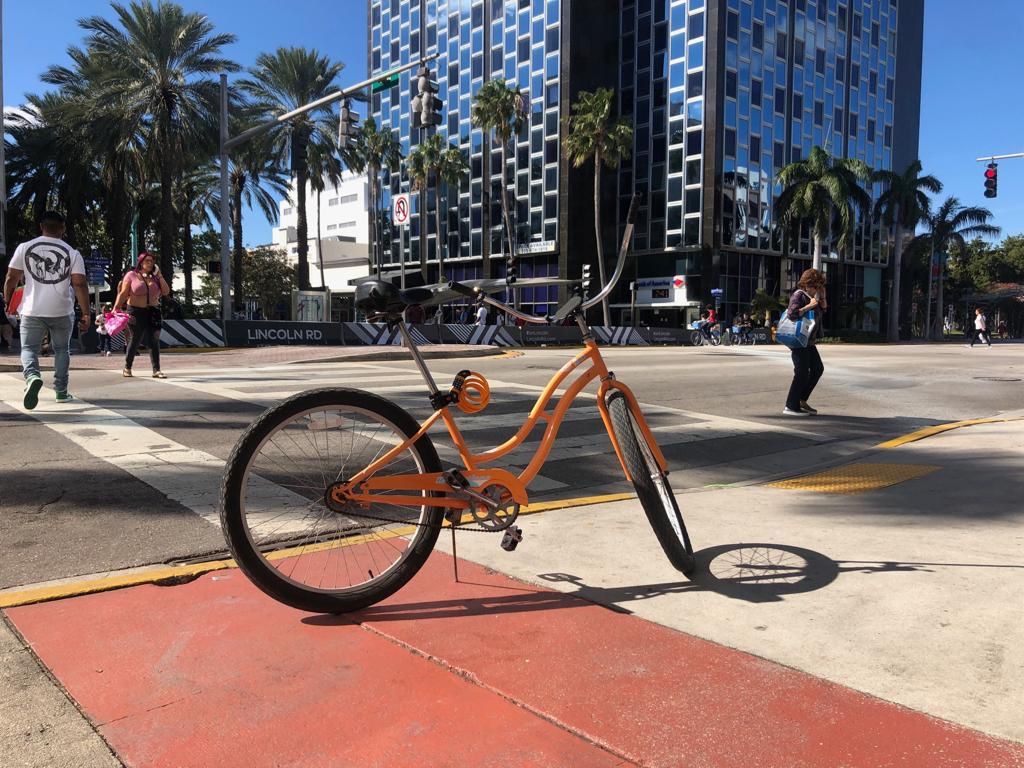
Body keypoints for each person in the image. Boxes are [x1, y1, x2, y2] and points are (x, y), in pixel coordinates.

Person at [3, 211, 90, 407]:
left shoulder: (24, 248)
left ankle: (33, 376)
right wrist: (86, 313)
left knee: (29, 349)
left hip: (32, 310)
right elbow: (80, 285)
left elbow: (11, 277)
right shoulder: (72, 253)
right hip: (62, 310)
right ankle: (61, 391)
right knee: (61, 350)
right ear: (63, 229)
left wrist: (8, 301)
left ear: (41, 226)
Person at [113, 251, 171, 378]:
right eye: (147, 261)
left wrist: (160, 275)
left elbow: (166, 291)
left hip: (153, 311)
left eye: (152, 261)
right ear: (140, 262)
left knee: (154, 340)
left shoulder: (155, 277)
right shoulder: (131, 275)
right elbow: (123, 293)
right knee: (135, 339)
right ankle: (127, 367)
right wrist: (116, 308)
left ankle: (156, 370)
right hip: (135, 311)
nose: (150, 263)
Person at [783, 268, 827, 417]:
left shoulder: (813, 297)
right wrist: (810, 305)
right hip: (798, 341)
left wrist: (822, 300)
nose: (818, 289)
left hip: (809, 341)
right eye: (816, 286)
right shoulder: (799, 295)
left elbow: (823, 311)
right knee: (801, 373)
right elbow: (792, 314)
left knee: (817, 369)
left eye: (819, 286)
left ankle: (801, 400)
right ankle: (790, 406)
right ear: (808, 284)